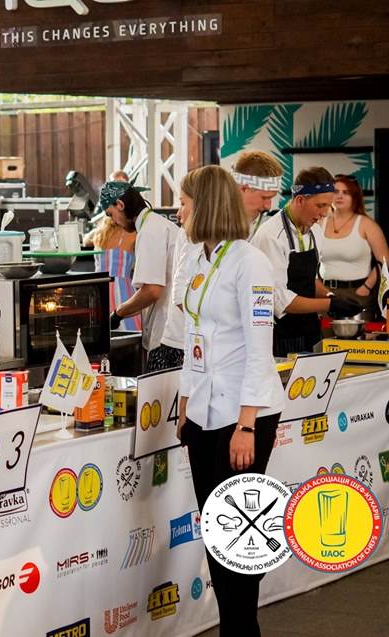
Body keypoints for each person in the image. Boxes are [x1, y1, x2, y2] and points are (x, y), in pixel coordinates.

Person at [175, 165, 284, 637]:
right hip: (204, 412)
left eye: (185, 203)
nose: (180, 212)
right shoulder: (198, 259)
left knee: (237, 540)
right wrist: (185, 403)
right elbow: (193, 338)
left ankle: (242, 630)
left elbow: (260, 348)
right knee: (217, 538)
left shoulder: (249, 262)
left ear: (206, 206)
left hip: (245, 414)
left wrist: (246, 425)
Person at [251, 167, 363, 356]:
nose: (325, 213)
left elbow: (308, 279)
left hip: (310, 331)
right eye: (320, 205)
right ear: (300, 200)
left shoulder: (315, 232)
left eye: (328, 206)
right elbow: (279, 300)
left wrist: (330, 296)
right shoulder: (271, 236)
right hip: (280, 336)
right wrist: (329, 305)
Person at [103, 180, 179, 364]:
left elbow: (151, 291)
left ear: (120, 205)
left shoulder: (150, 230)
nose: (114, 222)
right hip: (174, 334)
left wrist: (118, 313)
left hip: (167, 339)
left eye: (111, 214)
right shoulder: (157, 225)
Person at [318, 174, 389, 321]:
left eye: (346, 192)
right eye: (336, 191)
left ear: (354, 197)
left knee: (356, 336)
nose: (340, 196)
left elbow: (384, 260)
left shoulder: (367, 224)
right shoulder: (320, 222)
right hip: (326, 293)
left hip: (357, 292)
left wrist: (367, 287)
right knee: (324, 335)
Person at [155, 168, 203, 371]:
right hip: (182, 343)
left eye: (183, 204)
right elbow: (180, 294)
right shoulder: (191, 234)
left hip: (185, 340)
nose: (177, 212)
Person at [90, 215, 140, 332]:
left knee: (100, 334)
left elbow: (86, 239)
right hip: (123, 290)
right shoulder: (134, 234)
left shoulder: (100, 233)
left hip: (99, 288)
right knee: (130, 331)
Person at [230, 150, 283, 240]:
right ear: (243, 189)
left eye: (271, 198)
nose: (268, 206)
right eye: (264, 197)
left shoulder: (274, 228)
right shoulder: (211, 223)